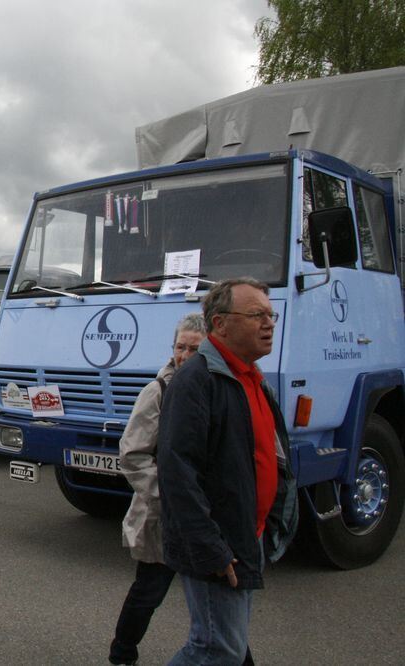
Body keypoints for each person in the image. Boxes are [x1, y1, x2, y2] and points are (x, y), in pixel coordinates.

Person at [157, 278, 298, 665]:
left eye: (271, 314)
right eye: (257, 315)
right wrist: (212, 550)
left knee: (226, 647)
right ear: (220, 324)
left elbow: (272, 459)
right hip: (219, 548)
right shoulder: (196, 381)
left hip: (244, 538)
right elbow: (176, 474)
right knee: (217, 649)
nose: (269, 323)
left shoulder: (251, 379)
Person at [108, 313, 206, 666]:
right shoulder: (159, 391)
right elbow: (132, 455)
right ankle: (122, 654)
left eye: (194, 349)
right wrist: (170, 497)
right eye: (181, 347)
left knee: (217, 604)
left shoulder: (217, 389)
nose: (185, 355)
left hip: (206, 518)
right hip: (163, 516)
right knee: (148, 592)